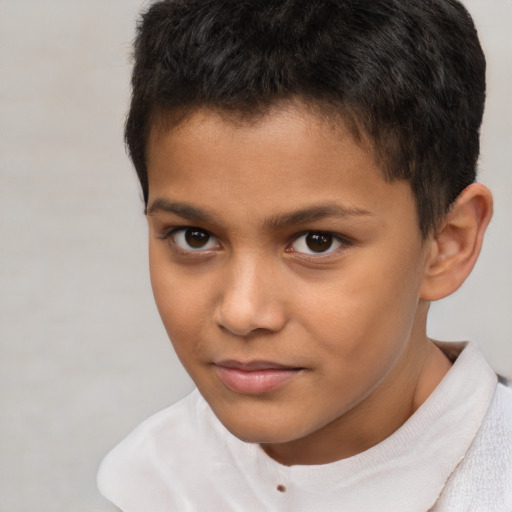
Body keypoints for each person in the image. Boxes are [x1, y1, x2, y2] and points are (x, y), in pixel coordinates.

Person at [97, 0, 512, 510]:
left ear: (447, 245)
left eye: (317, 241)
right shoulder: (149, 480)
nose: (242, 312)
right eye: (195, 237)